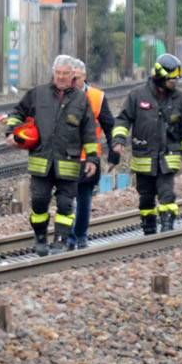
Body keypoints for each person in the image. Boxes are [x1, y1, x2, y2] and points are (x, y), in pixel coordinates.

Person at [5, 55, 98, 256]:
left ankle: (61, 240)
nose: (61, 77)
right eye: (58, 73)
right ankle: (40, 238)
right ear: (53, 73)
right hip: (41, 161)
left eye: (65, 73)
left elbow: (89, 132)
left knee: (65, 204)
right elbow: (16, 113)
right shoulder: (38, 94)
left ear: (73, 75)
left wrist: (92, 159)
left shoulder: (81, 100)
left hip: (69, 162)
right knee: (39, 201)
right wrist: (12, 133)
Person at [110, 53, 182, 235]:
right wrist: (118, 140)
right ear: (160, 76)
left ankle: (167, 227)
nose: (175, 83)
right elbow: (123, 120)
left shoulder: (181, 99)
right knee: (146, 198)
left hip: (168, 157)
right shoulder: (137, 96)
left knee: (167, 194)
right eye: (172, 80)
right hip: (144, 157)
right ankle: (148, 227)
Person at [66, 58, 115, 250]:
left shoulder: (97, 97)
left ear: (84, 76)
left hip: (89, 158)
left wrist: (114, 153)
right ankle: (69, 237)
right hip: (66, 157)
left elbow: (110, 126)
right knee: (66, 198)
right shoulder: (61, 95)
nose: (72, 81)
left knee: (84, 197)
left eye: (75, 77)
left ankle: (79, 236)